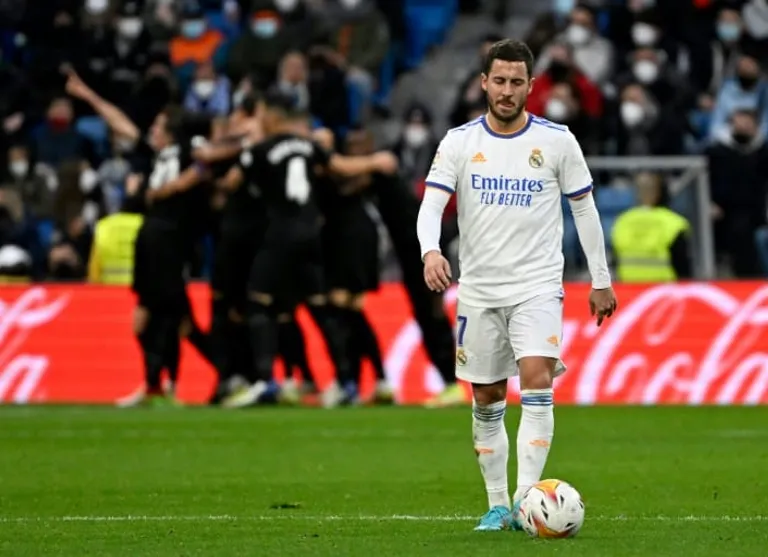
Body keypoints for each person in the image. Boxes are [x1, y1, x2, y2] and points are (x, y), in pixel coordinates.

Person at [416, 39, 617, 531]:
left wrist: (600, 279)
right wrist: (430, 250)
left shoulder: (557, 140)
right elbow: (431, 205)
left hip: (537, 285)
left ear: (531, 86)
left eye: (516, 82)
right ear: (484, 83)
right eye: (499, 81)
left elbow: (585, 210)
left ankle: (527, 498)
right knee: (486, 398)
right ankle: (497, 504)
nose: (507, 91)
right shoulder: (459, 142)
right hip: (479, 289)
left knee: (537, 381)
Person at [221, 90, 398, 408]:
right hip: (311, 234)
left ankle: (265, 381)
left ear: (272, 117)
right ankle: (345, 383)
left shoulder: (260, 149)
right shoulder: (308, 146)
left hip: (280, 234)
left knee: (259, 302)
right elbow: (341, 166)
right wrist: (374, 161)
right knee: (321, 307)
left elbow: (231, 182)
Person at [611, 172, 692, 282]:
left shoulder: (622, 221)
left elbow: (615, 260)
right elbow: (683, 267)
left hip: (629, 287)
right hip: (663, 288)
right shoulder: (674, 223)